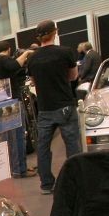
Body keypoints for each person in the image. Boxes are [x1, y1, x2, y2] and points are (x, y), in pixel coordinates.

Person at [26, 19, 82, 195]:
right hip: (65, 105)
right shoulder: (65, 52)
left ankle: (46, 184)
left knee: (43, 148)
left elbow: (33, 82)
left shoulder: (32, 58)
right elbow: (73, 77)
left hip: (45, 109)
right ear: (55, 32)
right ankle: (76, 182)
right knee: (72, 145)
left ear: (38, 37)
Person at [0, 40, 36, 179]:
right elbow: (15, 65)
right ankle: (19, 170)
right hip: (11, 104)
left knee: (8, 140)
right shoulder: (3, 60)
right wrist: (27, 53)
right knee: (17, 137)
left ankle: (14, 168)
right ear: (8, 49)